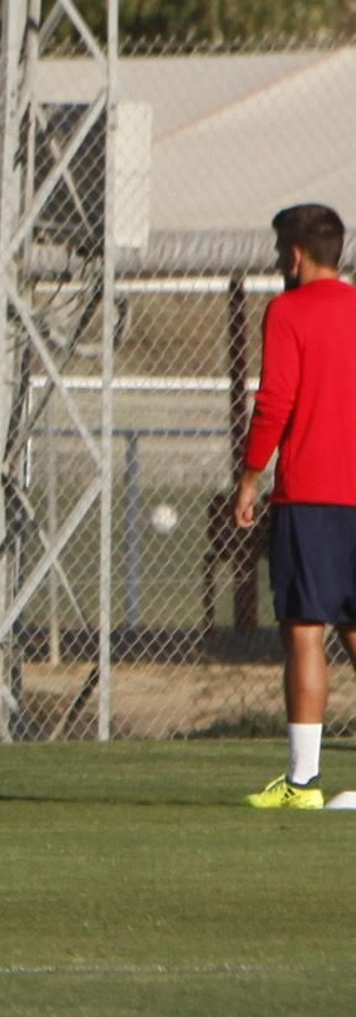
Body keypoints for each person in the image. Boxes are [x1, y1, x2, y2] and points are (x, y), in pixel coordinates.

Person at [235, 203, 356, 810]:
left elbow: (276, 399)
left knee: (306, 631)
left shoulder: (288, 311)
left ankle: (304, 783)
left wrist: (250, 476)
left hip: (311, 494)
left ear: (296, 253)